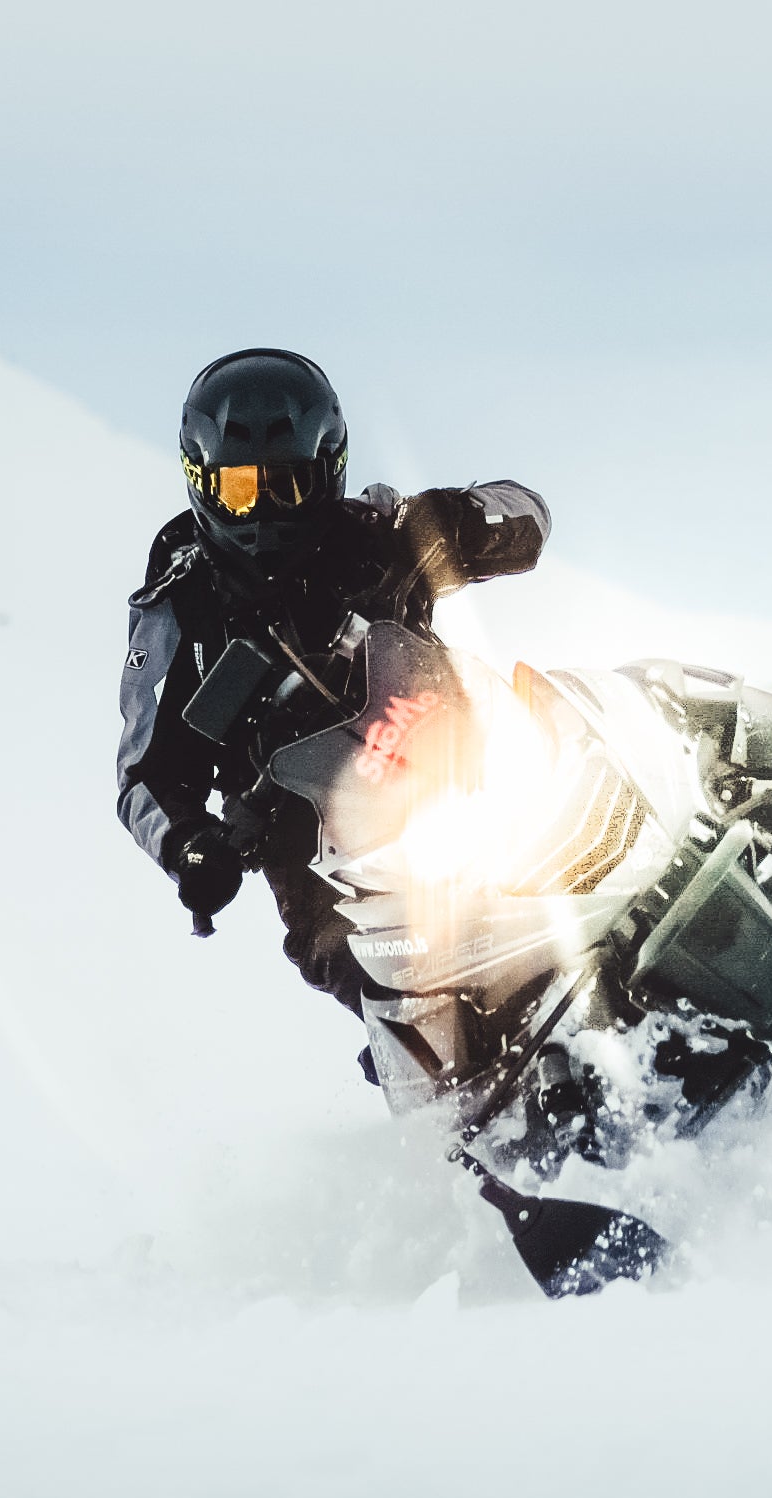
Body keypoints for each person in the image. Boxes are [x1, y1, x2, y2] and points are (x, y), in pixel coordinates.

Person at [114, 348, 550, 1032]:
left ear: (328, 470)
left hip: (461, 746)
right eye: (236, 489)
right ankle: (454, 1098)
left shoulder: (375, 532)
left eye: (284, 486)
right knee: (364, 965)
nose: (259, 511)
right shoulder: (179, 609)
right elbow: (144, 774)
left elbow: (530, 515)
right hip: (313, 836)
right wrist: (192, 847)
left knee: (595, 749)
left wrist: (464, 518)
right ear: (199, 482)